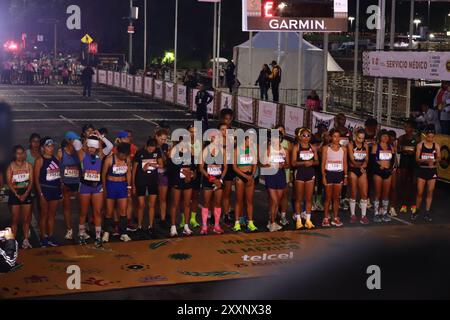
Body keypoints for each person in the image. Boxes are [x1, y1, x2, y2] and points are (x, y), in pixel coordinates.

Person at [74, 132, 113, 247]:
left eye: (93, 147)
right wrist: (87, 139)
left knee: (97, 212)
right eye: (90, 147)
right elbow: (76, 142)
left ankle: (97, 237)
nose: (91, 149)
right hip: (85, 187)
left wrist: (101, 137)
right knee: (83, 212)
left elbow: (110, 146)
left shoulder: (100, 155)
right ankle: (81, 235)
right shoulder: (83, 155)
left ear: (96, 147)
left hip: (97, 187)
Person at [34, 137, 62, 247]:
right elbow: (36, 178)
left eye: (51, 146)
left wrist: (60, 191)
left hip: (55, 190)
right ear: (42, 148)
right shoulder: (39, 160)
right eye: (48, 146)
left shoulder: (56, 159)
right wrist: (40, 194)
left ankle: (50, 236)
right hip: (45, 190)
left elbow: (59, 176)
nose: (51, 148)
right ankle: (43, 237)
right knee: (43, 215)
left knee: (52, 215)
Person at [102, 142, 132, 242]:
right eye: (122, 155)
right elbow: (103, 175)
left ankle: (123, 233)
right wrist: (104, 188)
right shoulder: (109, 159)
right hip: (111, 186)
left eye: (125, 155)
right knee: (109, 211)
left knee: (123, 211)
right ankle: (106, 232)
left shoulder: (127, 160)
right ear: (117, 152)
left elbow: (128, 173)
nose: (123, 157)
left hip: (122, 186)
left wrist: (128, 187)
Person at [198, 129, 227, 235]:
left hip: (218, 181)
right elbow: (201, 168)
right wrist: (212, 179)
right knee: (206, 202)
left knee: (218, 203)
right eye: (215, 137)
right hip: (208, 180)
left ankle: (216, 225)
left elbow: (225, 168)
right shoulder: (205, 150)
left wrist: (220, 180)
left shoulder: (222, 151)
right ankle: (204, 226)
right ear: (211, 138)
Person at [132, 138, 163, 237]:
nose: (151, 151)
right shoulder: (140, 152)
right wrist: (133, 184)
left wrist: (151, 164)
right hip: (140, 181)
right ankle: (140, 226)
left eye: (153, 149)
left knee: (152, 205)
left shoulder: (157, 152)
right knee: (141, 204)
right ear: (146, 146)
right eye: (150, 149)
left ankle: (150, 226)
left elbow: (161, 165)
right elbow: (134, 169)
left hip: (152, 181)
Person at [167, 138, 197, 237]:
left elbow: (194, 167)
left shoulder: (191, 151)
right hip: (177, 181)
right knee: (175, 204)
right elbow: (169, 169)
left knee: (187, 203)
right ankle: (173, 227)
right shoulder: (173, 151)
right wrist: (181, 171)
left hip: (188, 181)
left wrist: (191, 174)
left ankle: (186, 226)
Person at [6, 145, 34, 249]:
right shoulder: (11, 166)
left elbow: (31, 181)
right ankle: (12, 243)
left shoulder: (28, 165)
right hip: (15, 195)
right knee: (15, 219)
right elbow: (9, 183)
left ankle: (26, 240)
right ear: (14, 154)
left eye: (22, 152)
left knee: (26, 219)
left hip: (26, 193)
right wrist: (17, 195)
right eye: (18, 153)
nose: (20, 155)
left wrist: (26, 194)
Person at [291, 128, 318, 230]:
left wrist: (312, 163)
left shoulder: (312, 147)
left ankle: (308, 220)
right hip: (300, 173)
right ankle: (298, 220)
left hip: (310, 173)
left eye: (308, 136)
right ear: (299, 136)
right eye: (304, 135)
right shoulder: (296, 147)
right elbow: (293, 163)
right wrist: (304, 163)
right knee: (299, 198)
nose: (306, 138)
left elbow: (317, 161)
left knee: (309, 198)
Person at [57, 132, 82, 241]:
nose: (76, 142)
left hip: (77, 183)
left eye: (77, 140)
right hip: (66, 183)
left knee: (81, 207)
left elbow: (83, 163)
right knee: (67, 208)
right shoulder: (61, 152)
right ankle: (69, 230)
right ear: (68, 141)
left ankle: (82, 230)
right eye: (74, 140)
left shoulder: (79, 152)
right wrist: (61, 182)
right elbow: (57, 168)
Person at [321, 129, 347, 227]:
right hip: (329, 174)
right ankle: (326, 218)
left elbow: (345, 163)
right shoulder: (325, 148)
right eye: (335, 136)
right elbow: (323, 164)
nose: (337, 138)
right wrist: (323, 176)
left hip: (339, 174)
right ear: (331, 137)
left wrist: (345, 176)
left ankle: (335, 217)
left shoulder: (343, 149)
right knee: (328, 197)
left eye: (338, 136)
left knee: (336, 198)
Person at [414, 125, 440, 222]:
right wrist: (426, 161)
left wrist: (433, 160)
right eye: (429, 137)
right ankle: (417, 210)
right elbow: (417, 159)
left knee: (430, 192)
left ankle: (427, 212)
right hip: (422, 170)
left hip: (432, 170)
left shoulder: (436, 145)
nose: (430, 139)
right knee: (420, 192)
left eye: (432, 137)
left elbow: (439, 157)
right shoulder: (420, 145)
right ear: (426, 136)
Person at [232, 132, 258, 232]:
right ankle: (237, 223)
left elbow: (255, 163)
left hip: (250, 175)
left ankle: (250, 222)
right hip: (240, 175)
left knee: (250, 201)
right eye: (250, 140)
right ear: (244, 140)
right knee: (239, 200)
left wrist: (251, 175)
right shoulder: (237, 150)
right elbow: (234, 167)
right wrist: (245, 176)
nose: (252, 142)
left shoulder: (252, 150)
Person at [371, 130, 396, 223]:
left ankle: (385, 212)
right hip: (378, 172)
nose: (385, 138)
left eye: (387, 136)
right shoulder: (375, 146)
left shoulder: (391, 147)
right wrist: (379, 166)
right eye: (383, 136)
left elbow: (393, 160)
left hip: (387, 172)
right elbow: (372, 161)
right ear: (380, 137)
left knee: (386, 193)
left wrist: (390, 169)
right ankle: (376, 213)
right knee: (378, 193)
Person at [397, 120, 419, 215]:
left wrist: (413, 152)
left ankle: (413, 204)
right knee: (403, 182)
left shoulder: (417, 139)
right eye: (405, 127)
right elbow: (398, 150)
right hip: (404, 162)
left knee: (414, 183)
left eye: (408, 127)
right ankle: (404, 204)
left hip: (414, 163)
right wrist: (404, 150)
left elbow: (419, 151)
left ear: (412, 128)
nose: (406, 129)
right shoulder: (401, 138)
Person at [348, 128, 369, 225]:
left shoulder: (365, 145)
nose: (361, 140)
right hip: (353, 169)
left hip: (361, 169)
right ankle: (353, 214)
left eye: (362, 138)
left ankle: (363, 216)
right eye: (359, 138)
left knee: (364, 193)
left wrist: (364, 165)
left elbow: (367, 159)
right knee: (353, 192)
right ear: (356, 136)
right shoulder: (351, 145)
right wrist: (360, 166)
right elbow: (352, 159)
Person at [219, 110, 236, 224]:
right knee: (215, 192)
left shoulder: (234, 134)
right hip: (217, 167)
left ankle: (226, 214)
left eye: (229, 119)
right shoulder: (214, 135)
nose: (228, 121)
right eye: (226, 119)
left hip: (229, 167)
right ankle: (213, 213)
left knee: (227, 192)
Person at [275, 124, 292, 226]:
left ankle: (283, 216)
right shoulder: (270, 144)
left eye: (282, 131)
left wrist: (285, 167)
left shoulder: (288, 144)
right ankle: (273, 215)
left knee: (284, 195)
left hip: (284, 172)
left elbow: (289, 161)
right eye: (278, 131)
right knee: (273, 197)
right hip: (273, 173)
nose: (280, 133)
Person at [155, 128, 170, 226]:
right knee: (155, 197)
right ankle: (158, 214)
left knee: (163, 198)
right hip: (154, 174)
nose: (163, 141)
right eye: (161, 139)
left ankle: (163, 219)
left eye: (165, 139)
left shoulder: (166, 146)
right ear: (156, 136)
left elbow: (167, 160)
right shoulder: (152, 146)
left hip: (163, 174)